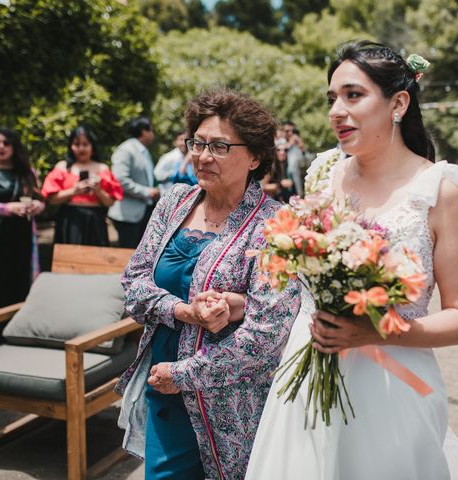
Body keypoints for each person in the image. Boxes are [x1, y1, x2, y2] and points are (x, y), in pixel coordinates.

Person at [246, 41, 458, 480]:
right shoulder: (325, 172)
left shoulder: (441, 191)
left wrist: (375, 327)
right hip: (306, 373)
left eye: (353, 95)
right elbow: (306, 278)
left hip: (392, 385)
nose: (336, 111)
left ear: (399, 102)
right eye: (332, 99)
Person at [115, 90, 301, 480]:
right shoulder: (173, 203)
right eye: (197, 143)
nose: (202, 155)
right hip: (162, 388)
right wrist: (183, 311)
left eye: (218, 145)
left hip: (232, 408)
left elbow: (267, 335)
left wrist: (183, 375)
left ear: (254, 157)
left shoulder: (275, 225)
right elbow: (133, 283)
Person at [0, 128, 45, 348]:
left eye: (6, 143)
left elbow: (41, 201)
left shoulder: (26, 171)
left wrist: (34, 206)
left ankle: (17, 343)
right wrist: (8, 208)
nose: (1, 147)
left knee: (20, 289)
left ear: (14, 146)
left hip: (21, 243)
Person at [41, 126, 122, 246]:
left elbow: (109, 202)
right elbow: (51, 200)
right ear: (70, 146)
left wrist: (98, 190)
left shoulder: (102, 168)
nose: (81, 148)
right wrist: (74, 191)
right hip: (69, 219)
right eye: (76, 144)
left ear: (92, 146)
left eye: (85, 144)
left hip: (95, 220)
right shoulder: (62, 167)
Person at [108, 117, 160, 248]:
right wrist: (147, 191)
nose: (153, 134)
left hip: (143, 212)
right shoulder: (126, 150)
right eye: (151, 130)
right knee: (127, 254)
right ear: (143, 131)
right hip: (128, 215)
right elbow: (120, 180)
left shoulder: (143, 150)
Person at [282, 120, 306, 196]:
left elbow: (304, 151)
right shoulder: (281, 141)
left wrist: (298, 141)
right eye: (287, 131)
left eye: (293, 131)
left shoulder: (296, 140)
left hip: (296, 173)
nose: (290, 133)